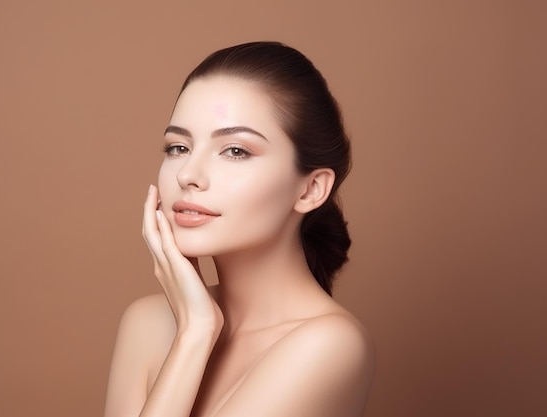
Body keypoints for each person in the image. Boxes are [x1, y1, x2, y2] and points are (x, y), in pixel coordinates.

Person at [104, 41, 374, 417]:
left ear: (310, 189)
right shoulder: (147, 323)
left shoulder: (329, 345)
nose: (188, 175)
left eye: (235, 151)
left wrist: (195, 334)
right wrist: (193, 331)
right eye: (178, 147)